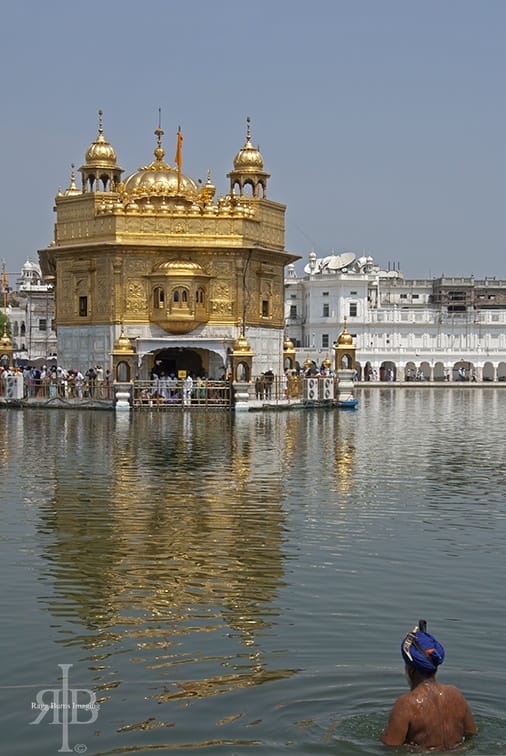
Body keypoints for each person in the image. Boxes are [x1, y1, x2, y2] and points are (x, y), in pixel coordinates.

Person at [382, 620, 477, 750]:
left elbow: (390, 746)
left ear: (411, 671)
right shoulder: (456, 694)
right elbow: (471, 733)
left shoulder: (406, 704)